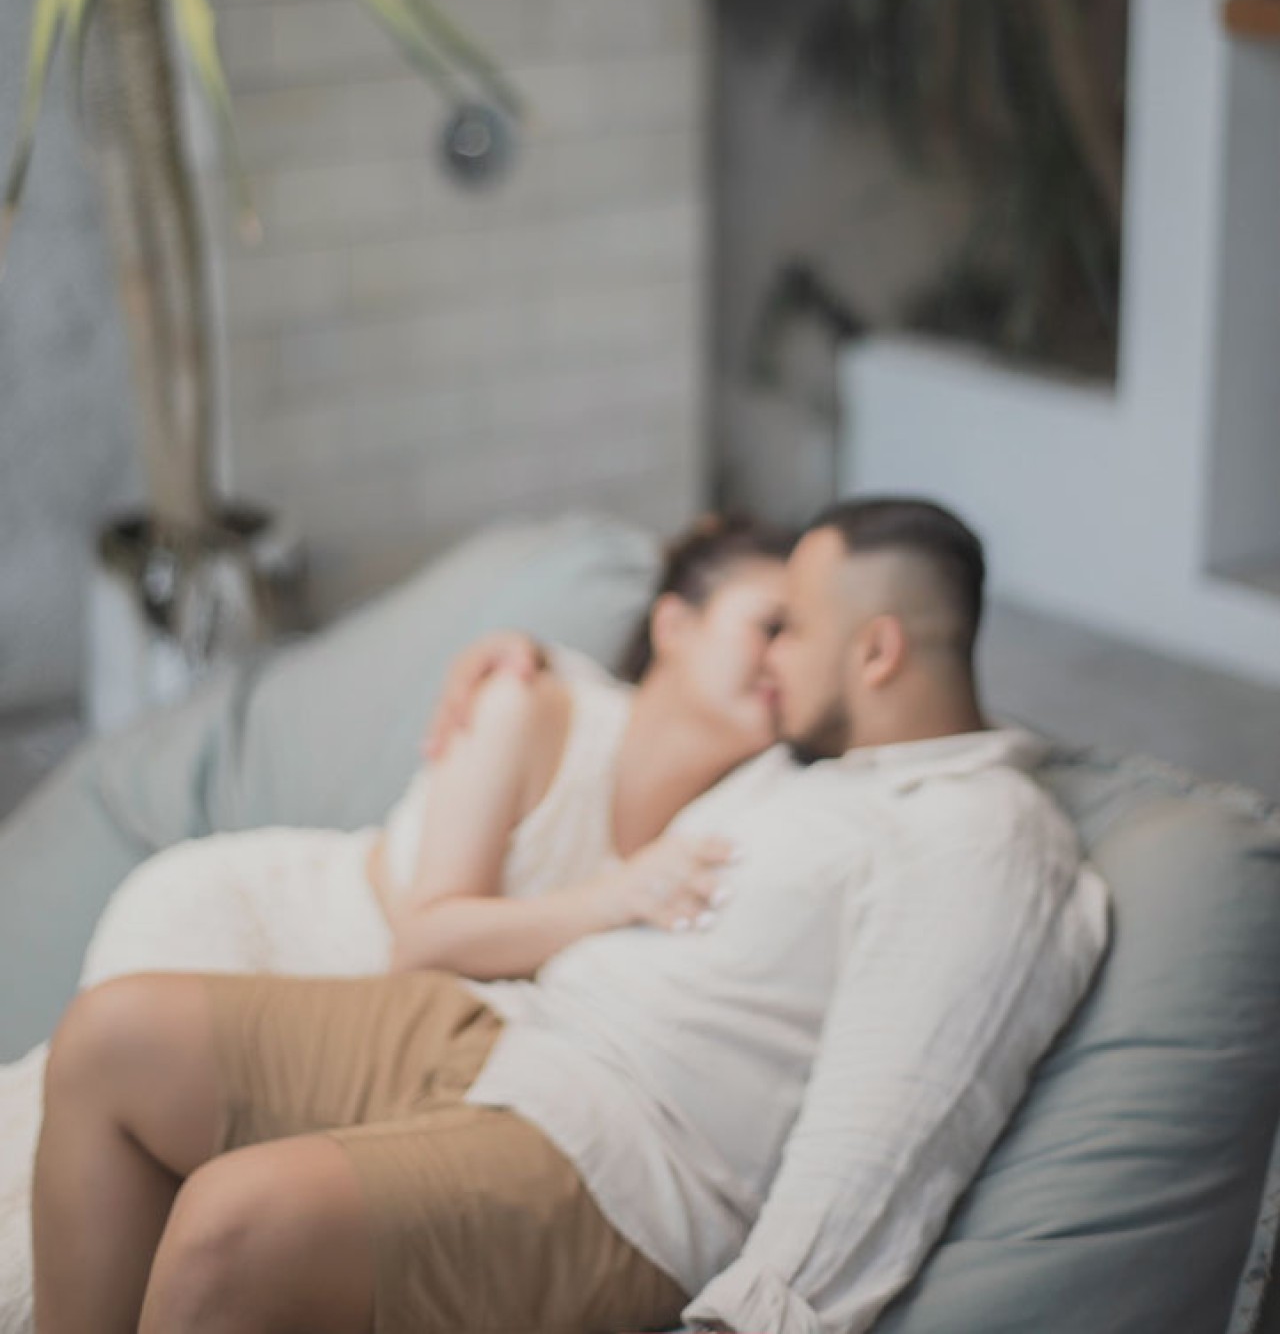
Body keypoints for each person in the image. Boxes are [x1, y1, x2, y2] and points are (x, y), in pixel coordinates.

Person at [32, 497, 1110, 1334]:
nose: (773, 662)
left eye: (794, 630)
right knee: (112, 1038)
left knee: (231, 1225)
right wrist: (513, 658)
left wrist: (764, 1312)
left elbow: (900, 1111)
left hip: (626, 1163)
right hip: (507, 1027)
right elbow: (624, 745)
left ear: (875, 654)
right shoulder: (805, 768)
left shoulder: (981, 835)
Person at [0, 514, 790, 1334]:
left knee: (225, 1248)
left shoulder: (746, 807)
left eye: (803, 639)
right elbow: (427, 940)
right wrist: (613, 897)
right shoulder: (530, 703)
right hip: (270, 931)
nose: (786, 660)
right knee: (76, 1231)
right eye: (769, 625)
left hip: (403, 1037)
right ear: (674, 623)